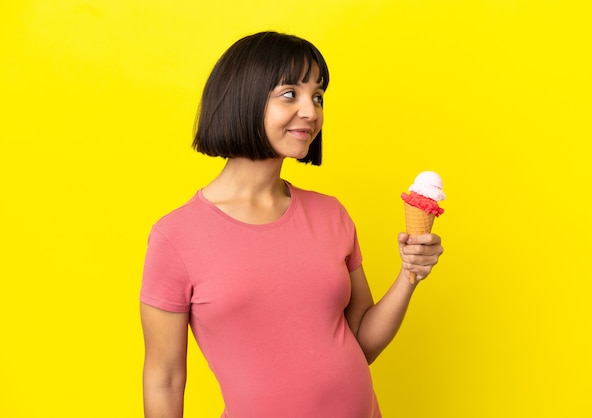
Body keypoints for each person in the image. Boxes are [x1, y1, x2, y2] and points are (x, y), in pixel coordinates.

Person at [140, 31, 443, 418]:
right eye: (290, 94)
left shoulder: (331, 214)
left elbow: (362, 343)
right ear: (243, 98)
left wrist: (410, 274)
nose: (311, 111)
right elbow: (163, 379)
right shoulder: (176, 236)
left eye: (317, 97)